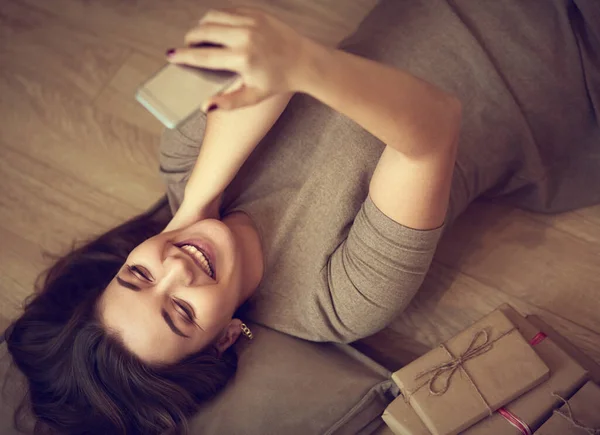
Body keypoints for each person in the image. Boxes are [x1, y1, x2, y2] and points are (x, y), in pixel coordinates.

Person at [4, 2, 599, 434]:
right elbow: (434, 125)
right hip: (571, 62)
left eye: (137, 276)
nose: (176, 270)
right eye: (181, 312)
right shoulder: (337, 301)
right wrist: (306, 66)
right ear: (228, 338)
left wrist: (193, 207)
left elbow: (259, 56)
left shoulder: (184, 168)